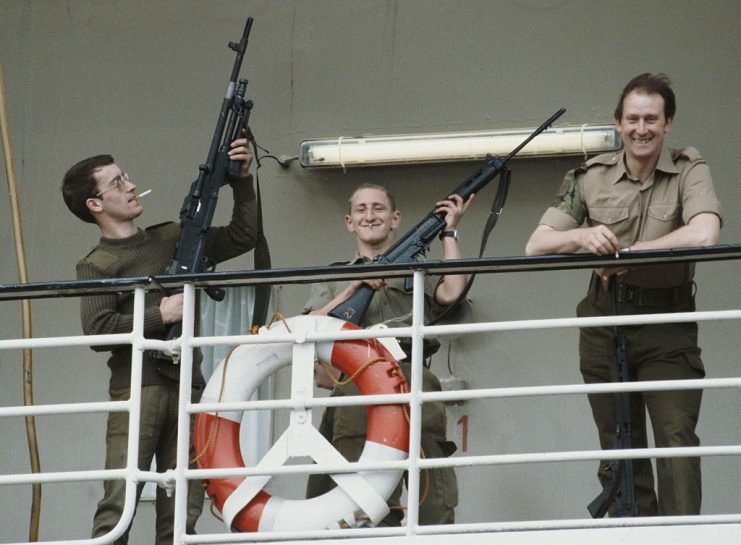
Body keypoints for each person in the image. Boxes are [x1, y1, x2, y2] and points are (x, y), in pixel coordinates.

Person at [525, 73, 722, 516]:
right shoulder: (591, 176)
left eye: (652, 118)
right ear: (618, 123)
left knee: (675, 435)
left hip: (666, 323)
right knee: (618, 440)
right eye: (632, 119)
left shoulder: (689, 168)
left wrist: (630, 254)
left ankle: (682, 538)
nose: (641, 129)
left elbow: (705, 232)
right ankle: (632, 531)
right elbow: (536, 243)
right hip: (604, 317)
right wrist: (582, 236)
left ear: (668, 123)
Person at [61, 137, 258, 543]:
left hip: (189, 382)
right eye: (116, 183)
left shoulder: (171, 236)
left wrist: (241, 180)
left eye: (126, 178)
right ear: (94, 205)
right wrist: (160, 314)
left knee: (184, 503)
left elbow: (243, 236)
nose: (130, 186)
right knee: (120, 500)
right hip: (139, 386)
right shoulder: (97, 263)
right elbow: (99, 330)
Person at [303, 183, 472, 525]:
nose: (370, 215)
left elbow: (453, 289)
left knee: (432, 495)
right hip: (354, 384)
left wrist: (449, 231)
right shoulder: (335, 275)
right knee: (358, 499)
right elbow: (308, 327)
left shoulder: (416, 268)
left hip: (411, 376)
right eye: (361, 209)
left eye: (378, 208)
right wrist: (355, 286)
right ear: (349, 222)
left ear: (395, 219)